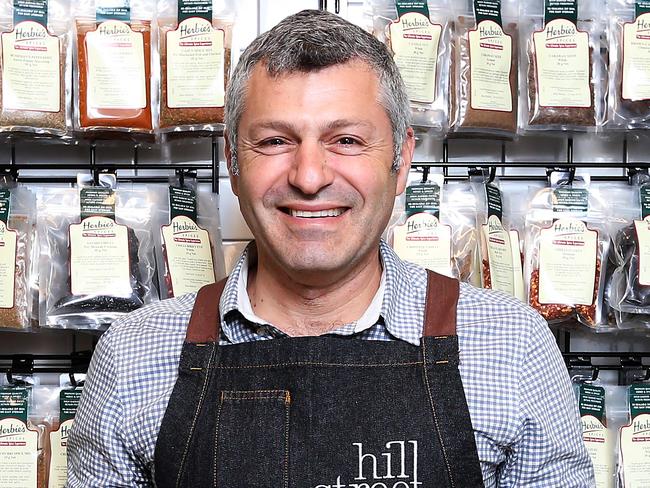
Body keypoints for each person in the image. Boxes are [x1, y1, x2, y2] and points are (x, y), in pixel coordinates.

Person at [67, 9, 595, 488]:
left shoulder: (511, 345)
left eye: (346, 140)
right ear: (232, 161)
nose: (310, 176)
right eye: (275, 141)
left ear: (402, 157)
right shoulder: (132, 357)